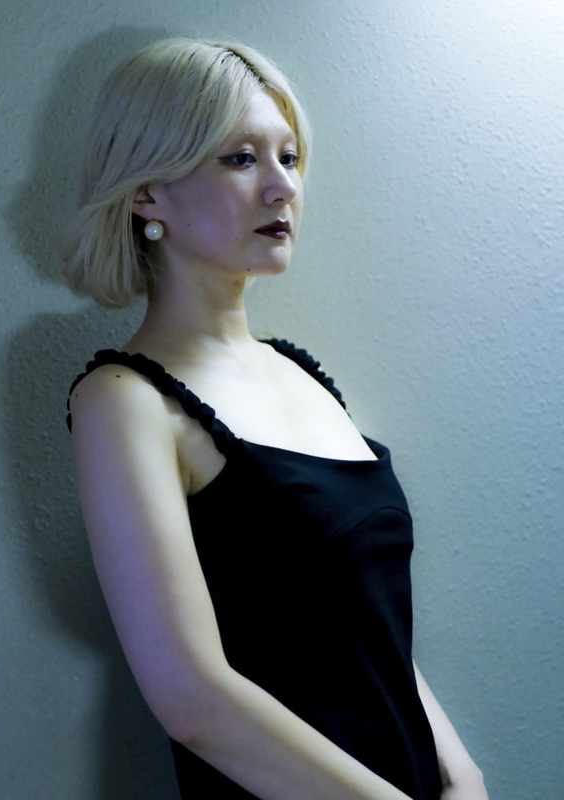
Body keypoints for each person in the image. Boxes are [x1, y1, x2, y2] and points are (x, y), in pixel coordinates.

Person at [63, 38, 488, 800]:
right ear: (147, 193)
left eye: (289, 158)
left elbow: (372, 633)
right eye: (240, 159)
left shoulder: (303, 374)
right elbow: (192, 698)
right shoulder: (123, 400)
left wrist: (462, 774)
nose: (283, 186)